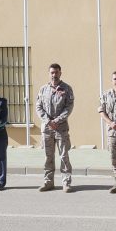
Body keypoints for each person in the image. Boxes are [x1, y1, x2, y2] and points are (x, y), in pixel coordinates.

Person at [36, 63, 75, 192]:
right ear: (49, 74)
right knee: (48, 156)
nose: (54, 75)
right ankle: (48, 182)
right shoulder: (43, 89)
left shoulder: (67, 88)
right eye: (52, 72)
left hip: (61, 128)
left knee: (64, 156)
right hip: (47, 128)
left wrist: (57, 120)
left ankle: (66, 182)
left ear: (60, 73)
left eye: (56, 72)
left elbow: (68, 107)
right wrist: (48, 121)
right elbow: (38, 107)